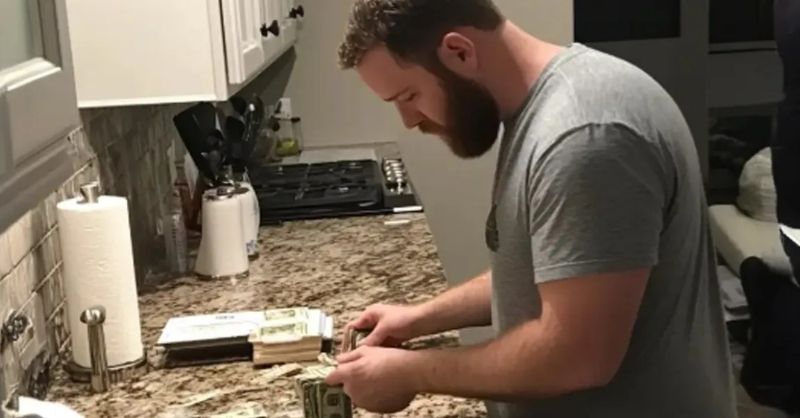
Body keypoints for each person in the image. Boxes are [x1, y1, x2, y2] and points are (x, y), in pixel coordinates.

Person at [325, 1, 737, 417]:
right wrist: (419, 318)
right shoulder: (553, 110)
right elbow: (554, 271)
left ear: (459, 52)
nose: (409, 120)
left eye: (409, 95)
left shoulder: (583, 136)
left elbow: (577, 355)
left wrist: (411, 372)